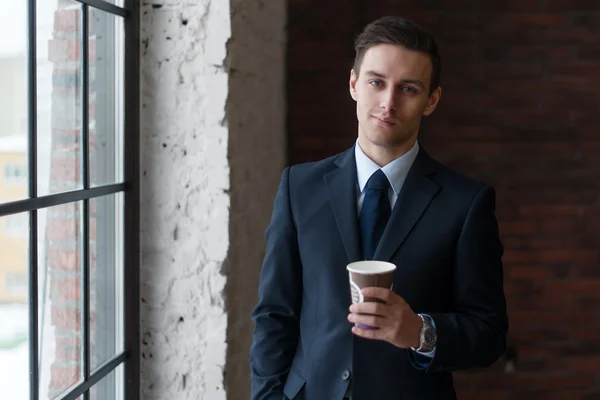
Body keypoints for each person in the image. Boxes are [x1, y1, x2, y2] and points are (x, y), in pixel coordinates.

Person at [250, 15, 508, 400]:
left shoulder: (466, 202)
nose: (388, 102)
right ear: (354, 84)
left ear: (431, 100)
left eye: (408, 88)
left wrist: (420, 332)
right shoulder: (298, 187)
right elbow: (275, 314)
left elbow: (488, 334)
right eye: (376, 82)